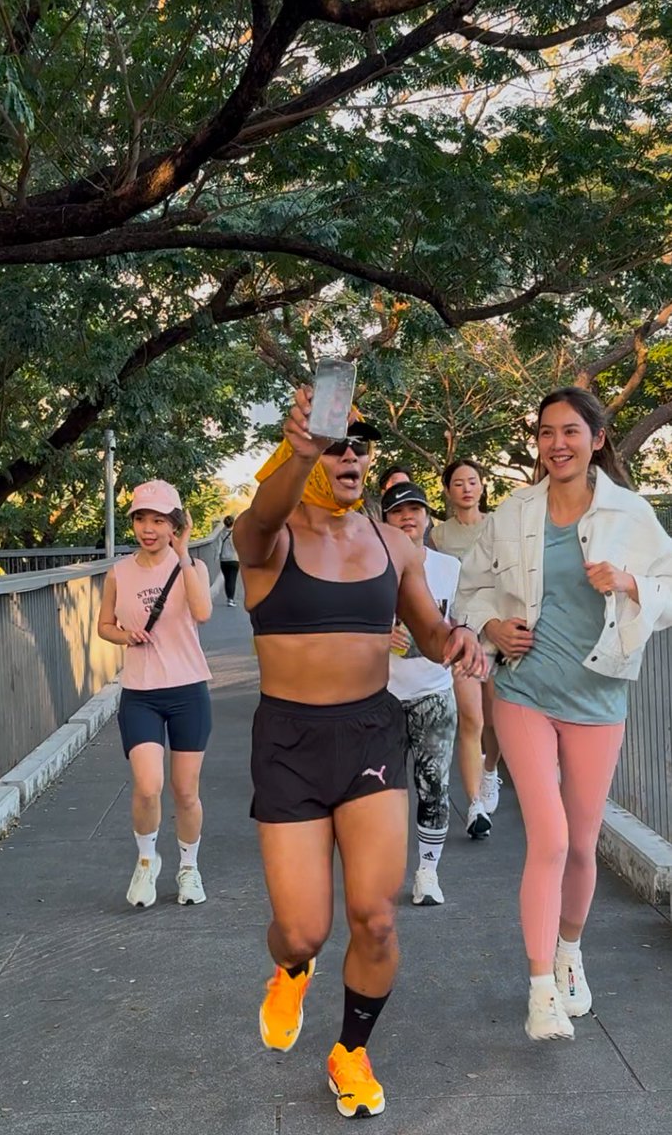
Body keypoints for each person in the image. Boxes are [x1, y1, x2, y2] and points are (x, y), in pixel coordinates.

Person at [234, 392, 487, 1119]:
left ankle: (349, 1051)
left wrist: (459, 639)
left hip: (371, 732)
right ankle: (292, 969)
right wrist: (301, 451)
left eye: (359, 445)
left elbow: (431, 633)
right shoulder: (268, 540)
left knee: (376, 917)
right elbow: (260, 519)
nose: (350, 454)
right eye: (335, 443)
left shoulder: (393, 545)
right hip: (288, 742)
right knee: (302, 930)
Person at [456, 387, 672, 1041]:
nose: (557, 444)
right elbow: (469, 587)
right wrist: (492, 625)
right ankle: (540, 991)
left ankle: (569, 953)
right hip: (525, 691)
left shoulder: (629, 512)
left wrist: (629, 583)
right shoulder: (515, 511)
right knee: (548, 839)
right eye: (547, 432)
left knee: (580, 844)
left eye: (571, 431)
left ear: (596, 439)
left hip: (599, 698)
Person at [97, 480, 213, 909]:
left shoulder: (192, 568)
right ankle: (147, 862)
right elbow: (103, 626)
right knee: (148, 786)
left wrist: (183, 556)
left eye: (160, 520)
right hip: (141, 693)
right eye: (141, 519)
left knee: (185, 791)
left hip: (188, 690)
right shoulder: (118, 573)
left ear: (175, 525)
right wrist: (124, 636)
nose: (149, 529)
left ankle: (189, 868)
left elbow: (203, 613)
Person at [382, 482, 461, 907]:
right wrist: (378, 636)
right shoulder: (368, 568)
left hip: (434, 693)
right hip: (382, 696)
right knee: (382, 791)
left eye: (415, 509)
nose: (408, 517)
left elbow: (465, 621)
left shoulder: (450, 567)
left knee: (434, 786)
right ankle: (383, 872)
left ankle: (428, 872)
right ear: (385, 520)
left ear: (428, 516)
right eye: (398, 511)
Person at [430, 459, 499, 838]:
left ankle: (490, 771)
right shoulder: (439, 536)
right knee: (471, 720)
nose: (467, 488)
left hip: (497, 632)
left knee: (496, 720)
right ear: (448, 490)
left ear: (482, 486)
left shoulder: (499, 526)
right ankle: (475, 807)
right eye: (458, 483)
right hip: (461, 635)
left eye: (473, 481)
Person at [220, 514, 240, 607]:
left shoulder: (221, 534)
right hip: (234, 559)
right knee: (232, 579)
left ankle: (229, 597)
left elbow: (218, 547)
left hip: (224, 560)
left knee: (227, 579)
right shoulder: (237, 533)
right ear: (233, 523)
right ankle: (230, 599)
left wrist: (217, 557)